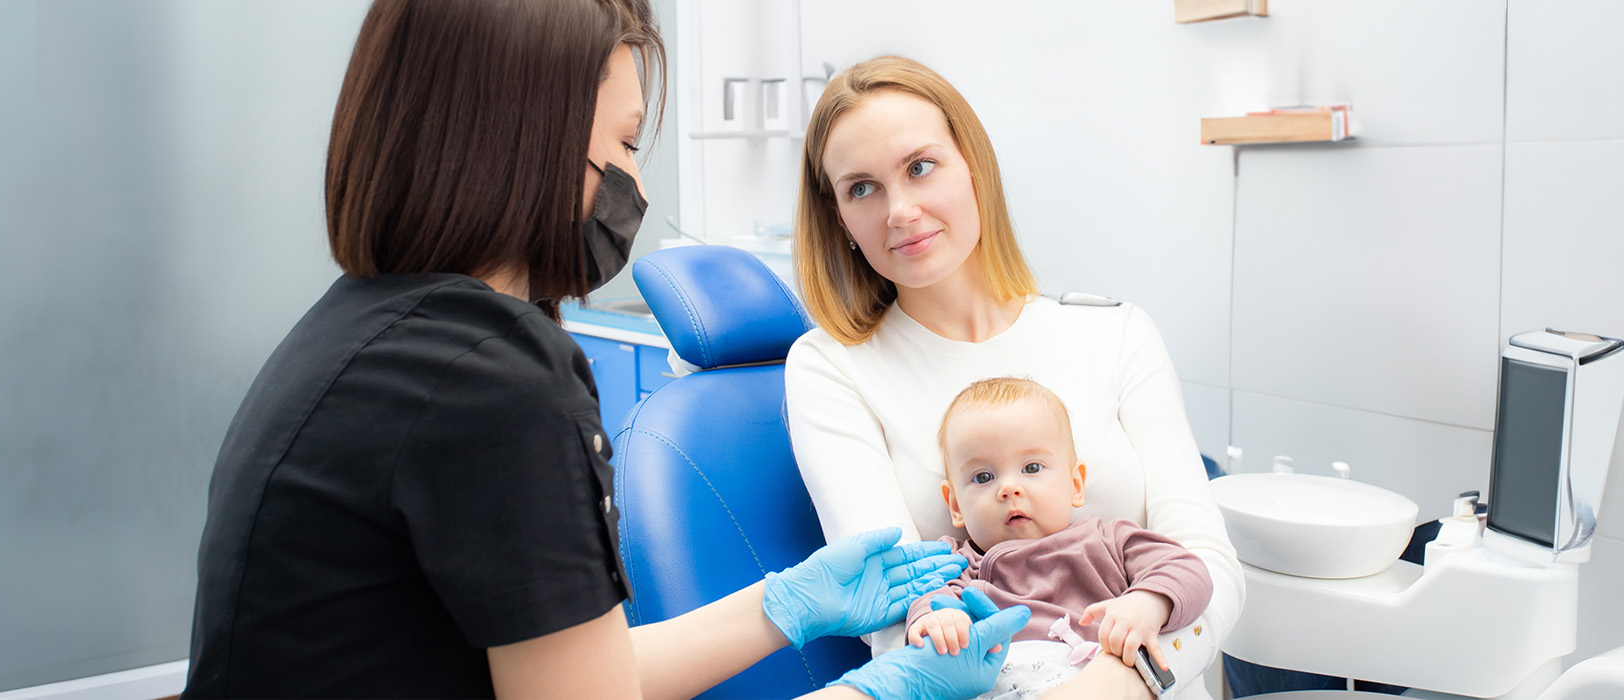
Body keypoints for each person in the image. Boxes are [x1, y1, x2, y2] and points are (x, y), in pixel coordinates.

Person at [184, 3, 1025, 698]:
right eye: (624, 146)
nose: (640, 188)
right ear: (522, 143)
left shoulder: (364, 337)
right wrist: (879, 691)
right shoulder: (487, 379)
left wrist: (786, 604)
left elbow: (585, 677)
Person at [785, 55, 1246, 698]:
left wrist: (1110, 686)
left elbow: (1211, 568)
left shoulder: (1113, 332)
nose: (900, 210)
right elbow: (895, 620)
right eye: (862, 187)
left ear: (972, 166)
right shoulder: (831, 367)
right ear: (840, 218)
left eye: (921, 167)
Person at [907, 378, 1214, 699]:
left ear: (1075, 484)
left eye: (1032, 467)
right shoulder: (959, 565)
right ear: (956, 505)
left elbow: (1187, 569)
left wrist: (1148, 603)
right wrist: (940, 620)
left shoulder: (1108, 540)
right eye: (983, 477)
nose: (1009, 488)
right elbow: (924, 601)